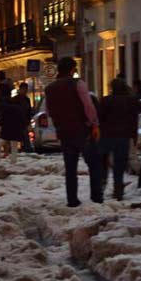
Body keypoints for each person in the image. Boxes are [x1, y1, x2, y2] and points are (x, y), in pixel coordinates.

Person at [44, 57, 103, 207]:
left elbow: (48, 111)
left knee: (70, 168)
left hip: (63, 132)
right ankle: (96, 197)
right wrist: (95, 124)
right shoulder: (78, 84)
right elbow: (88, 106)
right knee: (94, 164)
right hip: (82, 130)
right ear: (72, 70)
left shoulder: (49, 89)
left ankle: (72, 199)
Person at [97, 78, 139, 201]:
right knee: (119, 166)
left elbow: (98, 117)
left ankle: (101, 187)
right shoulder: (130, 101)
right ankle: (118, 190)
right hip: (123, 137)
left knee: (103, 164)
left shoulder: (105, 101)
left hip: (105, 137)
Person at [0, 83, 27, 164]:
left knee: (2, 140)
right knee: (13, 143)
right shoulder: (16, 104)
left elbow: (3, 115)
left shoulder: (5, 103)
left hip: (8, 125)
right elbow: (22, 115)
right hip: (15, 126)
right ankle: (13, 160)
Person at [12, 82, 34, 153]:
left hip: (24, 122)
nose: (25, 91)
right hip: (17, 121)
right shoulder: (15, 99)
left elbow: (29, 111)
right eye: (24, 89)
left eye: (26, 89)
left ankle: (26, 150)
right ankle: (21, 150)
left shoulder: (27, 99)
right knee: (18, 137)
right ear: (20, 89)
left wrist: (29, 121)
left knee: (25, 137)